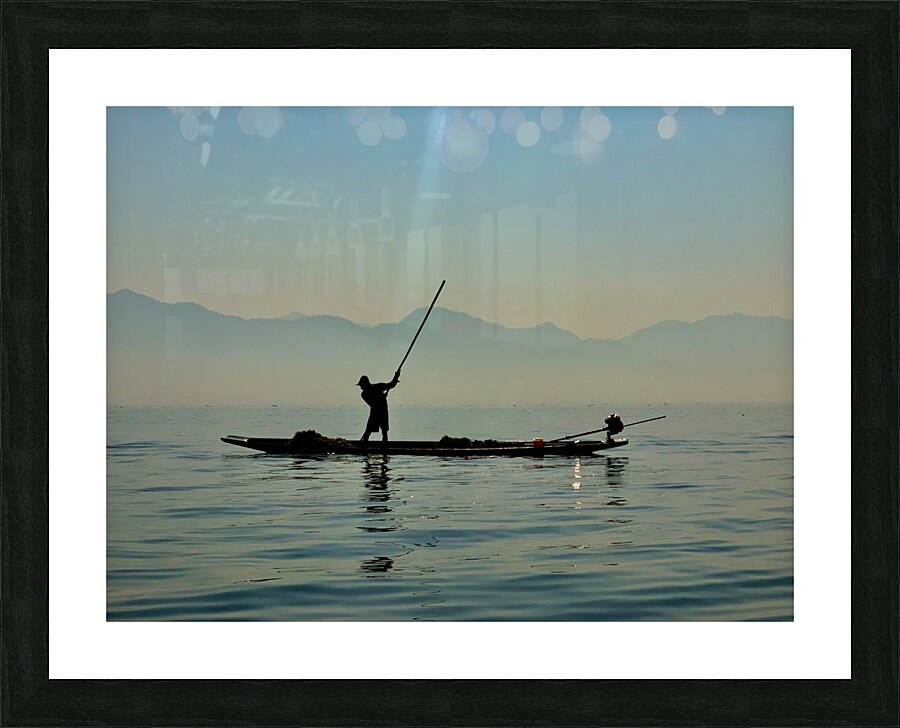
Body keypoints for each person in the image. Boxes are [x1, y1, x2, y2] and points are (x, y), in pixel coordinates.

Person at [357, 371, 400, 442]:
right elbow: (373, 404)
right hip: (374, 414)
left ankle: (384, 448)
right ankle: (364, 447)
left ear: (366, 384)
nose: (361, 387)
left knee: (384, 431)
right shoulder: (363, 394)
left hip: (383, 413)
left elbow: (391, 385)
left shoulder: (379, 386)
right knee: (368, 432)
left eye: (362, 385)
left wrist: (396, 376)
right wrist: (382, 397)